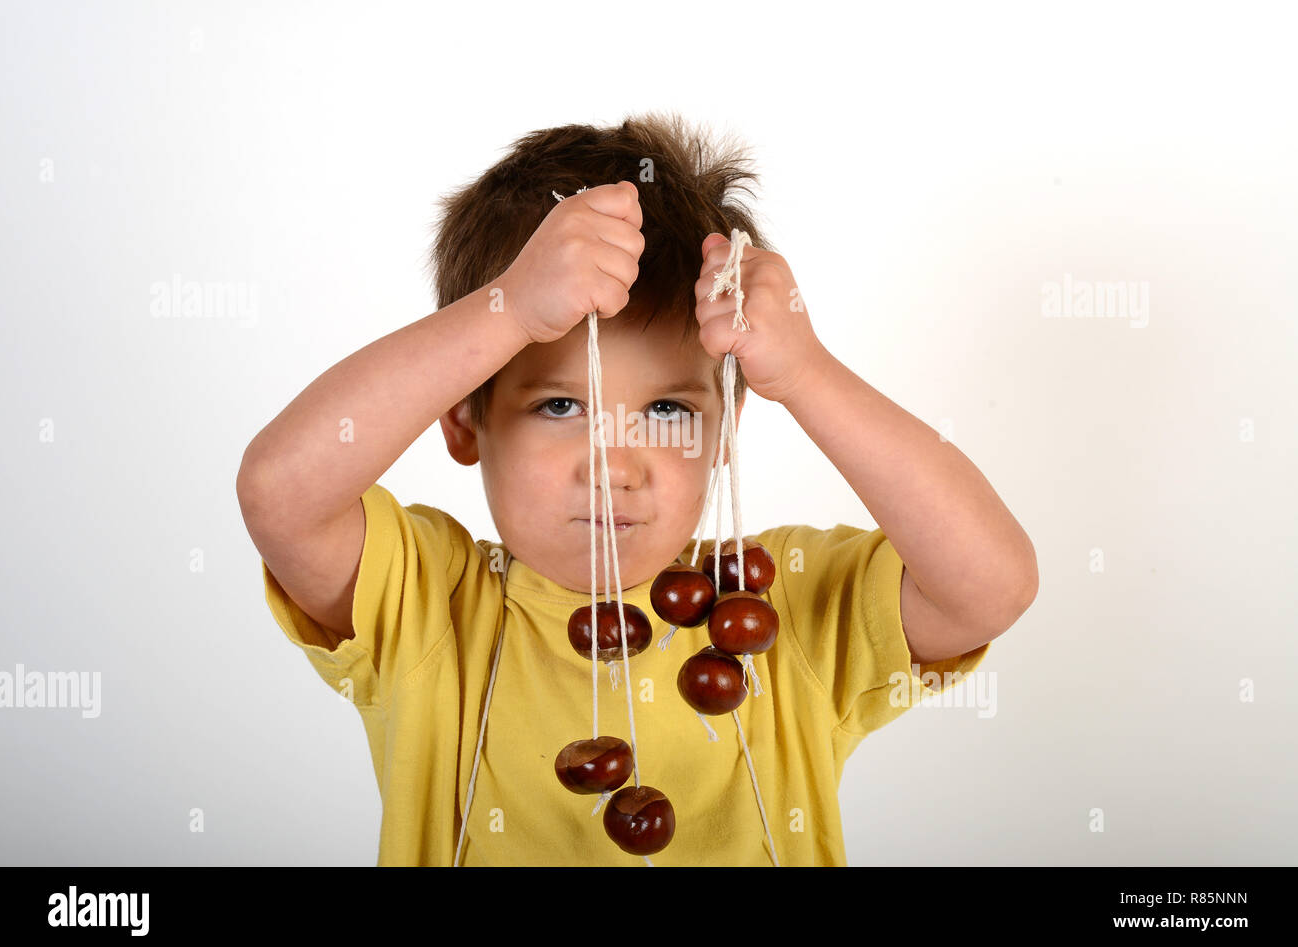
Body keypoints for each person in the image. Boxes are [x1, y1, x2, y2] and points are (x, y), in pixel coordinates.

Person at [236, 112, 1038, 866]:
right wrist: (505, 311)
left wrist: (809, 375)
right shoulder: (430, 608)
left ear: (722, 430)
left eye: (665, 409)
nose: (614, 464)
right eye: (560, 404)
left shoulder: (777, 611)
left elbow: (990, 585)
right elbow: (282, 492)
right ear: (463, 422)